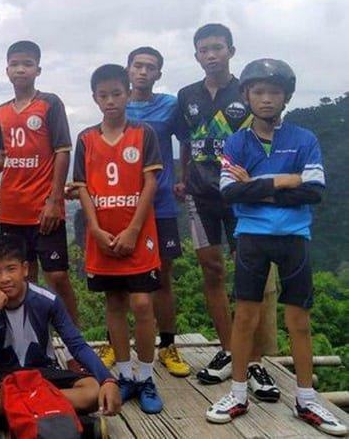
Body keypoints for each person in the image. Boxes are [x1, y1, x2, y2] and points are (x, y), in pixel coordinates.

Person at [206, 59, 346, 436]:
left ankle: (306, 398)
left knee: (299, 321)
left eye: (274, 92)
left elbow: (313, 191)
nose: (266, 99)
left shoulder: (304, 138)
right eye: (258, 92)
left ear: (286, 96)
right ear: (247, 95)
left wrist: (255, 187)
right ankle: (237, 394)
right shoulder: (237, 142)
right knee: (245, 317)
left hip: (294, 237)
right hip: (251, 237)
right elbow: (228, 192)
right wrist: (284, 181)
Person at [177, 24, 277, 396]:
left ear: (231, 51)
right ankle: (229, 349)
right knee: (212, 270)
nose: (211, 55)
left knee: (250, 272)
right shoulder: (187, 95)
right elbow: (184, 140)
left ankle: (254, 360)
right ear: (196, 55)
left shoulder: (247, 92)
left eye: (217, 48)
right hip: (200, 194)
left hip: (240, 194)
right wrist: (182, 176)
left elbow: (269, 136)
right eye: (204, 50)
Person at [0, 41, 77, 329]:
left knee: (57, 276)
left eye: (27, 64)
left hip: (44, 208)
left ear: (38, 70)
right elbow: (4, 156)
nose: (21, 69)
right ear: (7, 70)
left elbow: (62, 151)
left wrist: (54, 199)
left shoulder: (50, 103)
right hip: (12, 209)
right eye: (15, 64)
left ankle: (74, 336)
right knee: (24, 278)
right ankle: (31, 334)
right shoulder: (3, 111)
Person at [72, 64, 164, 414]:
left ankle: (146, 376)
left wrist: (134, 230)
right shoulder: (86, 138)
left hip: (138, 234)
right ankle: (125, 375)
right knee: (114, 303)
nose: (110, 101)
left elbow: (150, 183)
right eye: (103, 95)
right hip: (103, 236)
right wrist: (94, 229)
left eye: (116, 94)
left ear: (127, 94)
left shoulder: (143, 134)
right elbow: (82, 187)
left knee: (142, 304)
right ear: (95, 98)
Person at [93, 47, 191, 377]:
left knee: (162, 277)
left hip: (160, 204)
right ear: (128, 69)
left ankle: (168, 345)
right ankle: (113, 343)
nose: (143, 72)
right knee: (117, 281)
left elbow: (186, 140)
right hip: (119, 206)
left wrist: (183, 177)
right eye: (138, 66)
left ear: (159, 73)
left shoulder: (170, 106)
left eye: (150, 67)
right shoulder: (116, 103)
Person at [0, 233, 121, 431]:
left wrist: (107, 379)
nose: (5, 278)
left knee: (91, 391)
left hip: (42, 374)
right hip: (2, 377)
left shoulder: (46, 300)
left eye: (11, 269)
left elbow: (76, 344)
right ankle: (60, 418)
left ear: (25, 269)